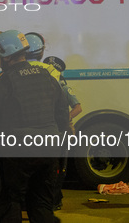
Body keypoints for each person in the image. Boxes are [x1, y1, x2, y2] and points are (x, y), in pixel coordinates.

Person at [0, 30, 69, 222]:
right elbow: (62, 116)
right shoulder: (49, 78)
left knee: (9, 202)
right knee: (41, 205)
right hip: (49, 151)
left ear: (7, 55)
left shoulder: (3, 84)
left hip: (17, 153)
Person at [43, 55, 83, 211]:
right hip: (48, 132)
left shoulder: (63, 87)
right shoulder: (43, 87)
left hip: (62, 131)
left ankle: (56, 199)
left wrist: (64, 118)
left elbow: (78, 107)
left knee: (60, 168)